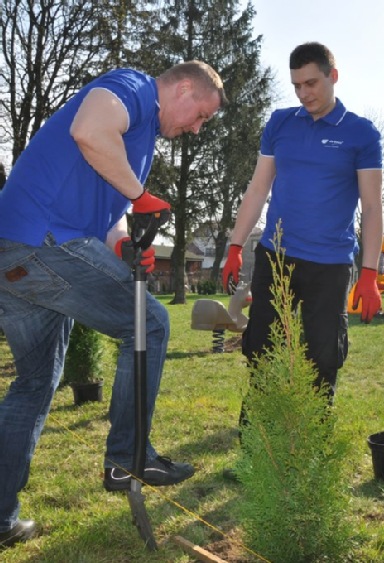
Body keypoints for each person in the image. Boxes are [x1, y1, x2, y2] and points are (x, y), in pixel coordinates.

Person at [0, 61, 227, 548]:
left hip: (14, 254)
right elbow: (88, 129)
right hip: (44, 242)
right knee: (149, 324)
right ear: (184, 88)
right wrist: (143, 196)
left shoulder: (137, 146)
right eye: (200, 115)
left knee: (36, 383)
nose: (196, 128)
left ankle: (0, 519)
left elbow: (111, 219)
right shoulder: (134, 88)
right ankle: (129, 456)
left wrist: (124, 245)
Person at [222, 42, 383, 402]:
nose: (303, 93)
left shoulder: (361, 133)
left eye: (311, 83)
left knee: (323, 358)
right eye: (296, 85)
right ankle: (256, 444)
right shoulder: (281, 123)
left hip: (330, 264)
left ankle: (314, 446)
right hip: (276, 258)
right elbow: (258, 187)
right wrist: (235, 245)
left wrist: (370, 273)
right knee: (262, 352)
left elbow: (372, 207)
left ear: (333, 76)